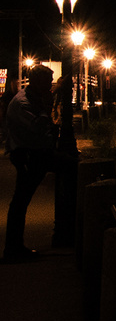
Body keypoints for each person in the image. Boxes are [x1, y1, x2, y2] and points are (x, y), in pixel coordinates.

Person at [3, 64, 57, 262]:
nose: (50, 85)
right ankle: (13, 248)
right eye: (48, 82)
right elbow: (37, 126)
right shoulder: (23, 102)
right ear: (38, 81)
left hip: (31, 153)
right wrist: (47, 107)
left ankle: (14, 247)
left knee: (21, 201)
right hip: (26, 154)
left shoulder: (29, 99)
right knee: (20, 201)